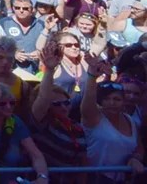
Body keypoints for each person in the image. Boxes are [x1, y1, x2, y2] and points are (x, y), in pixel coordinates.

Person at [29, 42, 88, 182]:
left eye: (66, 103)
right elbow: (43, 99)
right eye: (56, 104)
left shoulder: (77, 127)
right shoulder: (41, 123)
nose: (63, 107)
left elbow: (83, 163)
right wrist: (49, 70)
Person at [81, 54, 145, 182]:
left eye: (116, 99)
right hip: (94, 178)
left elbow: (139, 147)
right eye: (106, 99)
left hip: (123, 179)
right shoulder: (93, 118)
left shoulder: (130, 120)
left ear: (123, 101)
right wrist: (92, 76)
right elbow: (87, 101)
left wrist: (135, 158)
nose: (111, 103)